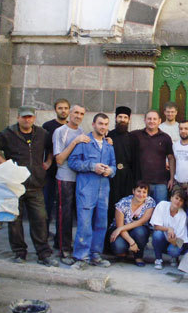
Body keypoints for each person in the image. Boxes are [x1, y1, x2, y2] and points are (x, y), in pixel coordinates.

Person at [0, 105, 57, 266]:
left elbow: (51, 148)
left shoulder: (42, 134)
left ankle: (43, 253)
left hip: (36, 184)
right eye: (24, 117)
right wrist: (4, 163)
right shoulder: (8, 134)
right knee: (14, 221)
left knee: (40, 219)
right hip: (14, 185)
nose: (27, 119)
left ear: (34, 118)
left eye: (30, 117)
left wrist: (48, 161)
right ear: (18, 118)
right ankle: (19, 253)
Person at [68, 113, 116, 269]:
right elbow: (73, 162)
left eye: (106, 124)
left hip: (104, 190)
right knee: (85, 223)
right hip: (86, 189)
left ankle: (96, 255)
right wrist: (92, 166)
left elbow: (114, 166)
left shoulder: (109, 146)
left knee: (101, 223)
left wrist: (110, 171)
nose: (103, 127)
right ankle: (81, 257)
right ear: (94, 124)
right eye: (100, 123)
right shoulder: (84, 141)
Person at [52, 104, 89, 265]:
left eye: (81, 113)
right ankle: (64, 250)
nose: (78, 116)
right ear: (69, 113)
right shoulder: (60, 131)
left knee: (78, 215)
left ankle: (69, 244)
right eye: (76, 112)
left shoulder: (82, 132)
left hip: (80, 179)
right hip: (65, 178)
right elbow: (59, 159)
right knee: (64, 215)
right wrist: (74, 142)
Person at [131, 110, 175, 204]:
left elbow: (171, 158)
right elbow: (121, 139)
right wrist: (109, 138)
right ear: (145, 120)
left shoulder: (165, 137)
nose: (152, 121)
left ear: (159, 121)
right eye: (149, 119)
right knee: (142, 211)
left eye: (154, 119)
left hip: (160, 183)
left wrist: (171, 178)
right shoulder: (136, 135)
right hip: (142, 183)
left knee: (160, 209)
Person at [110, 181, 156, 267]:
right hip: (121, 231)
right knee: (119, 248)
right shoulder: (123, 203)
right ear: (133, 191)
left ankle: (138, 256)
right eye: (138, 191)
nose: (141, 194)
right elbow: (120, 226)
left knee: (140, 232)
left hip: (137, 229)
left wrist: (120, 228)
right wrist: (132, 242)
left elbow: (141, 221)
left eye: (144, 192)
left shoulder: (150, 202)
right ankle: (126, 251)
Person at [42, 98, 70, 231]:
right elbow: (47, 146)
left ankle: (60, 237)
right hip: (50, 171)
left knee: (63, 205)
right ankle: (45, 233)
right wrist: (48, 161)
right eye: (60, 108)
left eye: (65, 108)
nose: (63, 111)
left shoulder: (72, 126)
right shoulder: (48, 126)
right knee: (47, 203)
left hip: (66, 171)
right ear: (55, 110)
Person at [107, 106, 136, 225]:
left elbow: (135, 160)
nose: (122, 120)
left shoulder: (132, 138)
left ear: (129, 120)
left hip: (127, 178)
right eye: (120, 117)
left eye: (125, 117)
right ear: (115, 118)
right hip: (111, 177)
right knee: (110, 206)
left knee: (125, 208)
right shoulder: (108, 135)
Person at [150, 187, 188, 269]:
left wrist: (173, 241)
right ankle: (158, 259)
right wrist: (168, 229)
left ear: (183, 203)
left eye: (181, 200)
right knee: (157, 234)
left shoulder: (183, 215)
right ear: (171, 198)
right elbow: (156, 226)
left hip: (174, 241)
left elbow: (181, 242)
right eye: (176, 198)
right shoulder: (162, 205)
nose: (178, 201)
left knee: (174, 251)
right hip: (163, 238)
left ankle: (174, 257)